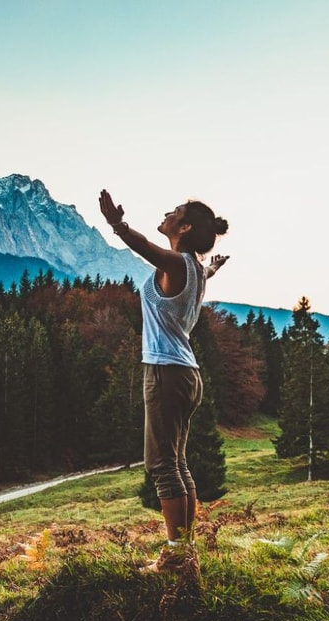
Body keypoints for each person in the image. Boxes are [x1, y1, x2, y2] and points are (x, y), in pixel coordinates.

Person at [98, 189, 229, 573]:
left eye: (175, 212)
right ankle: (184, 553)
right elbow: (202, 271)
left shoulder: (176, 263)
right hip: (186, 374)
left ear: (184, 227)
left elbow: (143, 247)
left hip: (166, 373)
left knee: (160, 465)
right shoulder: (194, 270)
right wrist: (214, 268)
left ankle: (175, 558)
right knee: (177, 462)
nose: (167, 213)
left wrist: (117, 225)